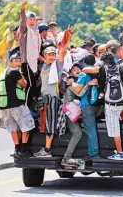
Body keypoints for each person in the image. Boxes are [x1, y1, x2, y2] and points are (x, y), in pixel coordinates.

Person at [34, 26, 73, 157]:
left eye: (52, 54)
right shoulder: (45, 65)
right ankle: (46, 149)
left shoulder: (57, 65)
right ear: (45, 55)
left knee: (50, 124)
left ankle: (47, 150)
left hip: (52, 99)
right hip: (44, 99)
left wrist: (67, 35)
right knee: (45, 123)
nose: (51, 56)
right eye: (49, 54)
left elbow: (62, 50)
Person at [0, 53, 35, 157]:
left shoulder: (2, 73)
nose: (18, 63)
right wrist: (22, 75)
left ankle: (17, 149)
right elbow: (24, 84)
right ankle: (24, 150)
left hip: (5, 107)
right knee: (27, 126)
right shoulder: (15, 72)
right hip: (17, 105)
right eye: (16, 61)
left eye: (19, 61)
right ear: (10, 62)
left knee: (13, 129)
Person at [98, 52, 123, 160]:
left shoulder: (103, 69)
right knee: (119, 122)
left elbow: (101, 84)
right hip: (122, 103)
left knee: (115, 130)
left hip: (111, 104)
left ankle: (120, 153)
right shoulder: (121, 68)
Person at [61, 63, 96, 166]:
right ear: (70, 73)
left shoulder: (75, 83)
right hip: (68, 112)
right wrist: (88, 84)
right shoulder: (71, 83)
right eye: (74, 69)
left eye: (78, 69)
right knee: (77, 133)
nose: (77, 70)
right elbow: (80, 94)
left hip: (71, 111)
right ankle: (66, 158)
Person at [71, 54, 100, 160]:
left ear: (84, 63)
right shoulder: (99, 73)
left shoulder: (84, 75)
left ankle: (93, 154)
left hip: (86, 104)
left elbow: (78, 89)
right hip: (98, 103)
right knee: (93, 127)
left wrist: (72, 83)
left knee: (90, 129)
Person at [18, 1, 41, 112]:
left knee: (34, 86)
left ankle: (30, 106)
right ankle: (24, 107)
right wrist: (22, 9)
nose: (32, 21)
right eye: (30, 19)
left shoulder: (36, 33)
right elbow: (22, 22)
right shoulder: (25, 31)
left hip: (34, 63)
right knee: (31, 85)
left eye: (34, 19)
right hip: (26, 62)